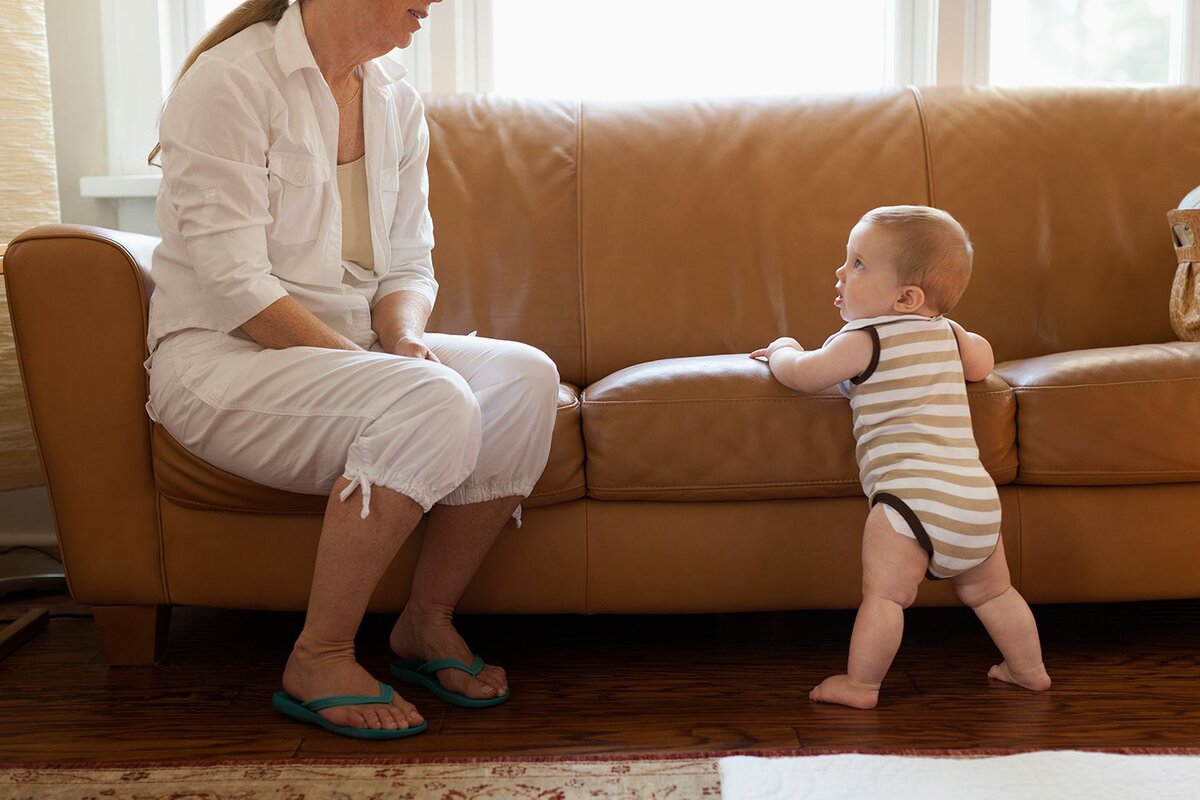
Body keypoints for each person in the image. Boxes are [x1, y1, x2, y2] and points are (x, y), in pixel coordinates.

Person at [146, 0, 559, 738]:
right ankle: (319, 655)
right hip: (223, 362)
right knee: (431, 400)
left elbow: (407, 260)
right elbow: (238, 289)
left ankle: (425, 623)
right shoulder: (229, 82)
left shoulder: (394, 96)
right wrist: (386, 376)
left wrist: (398, 341)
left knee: (525, 379)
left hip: (351, 355)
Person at [750, 206, 1051, 710]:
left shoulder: (863, 339)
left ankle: (861, 686)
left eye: (859, 263)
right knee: (995, 594)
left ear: (905, 298)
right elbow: (983, 363)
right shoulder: (951, 334)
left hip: (906, 500)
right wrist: (962, 341)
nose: (841, 272)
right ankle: (1029, 670)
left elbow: (803, 374)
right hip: (973, 497)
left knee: (886, 598)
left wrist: (782, 348)